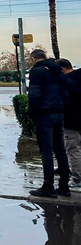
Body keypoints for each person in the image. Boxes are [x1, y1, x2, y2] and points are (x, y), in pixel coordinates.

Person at [28, 49, 69, 197]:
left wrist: (33, 112)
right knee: (60, 150)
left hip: (44, 114)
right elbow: (65, 92)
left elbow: (34, 94)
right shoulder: (58, 70)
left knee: (46, 152)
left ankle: (48, 186)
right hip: (58, 112)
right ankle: (64, 186)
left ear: (34, 59)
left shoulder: (37, 72)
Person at [58, 58, 81, 188]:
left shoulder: (66, 83)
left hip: (71, 121)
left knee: (74, 151)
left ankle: (77, 179)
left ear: (62, 69)